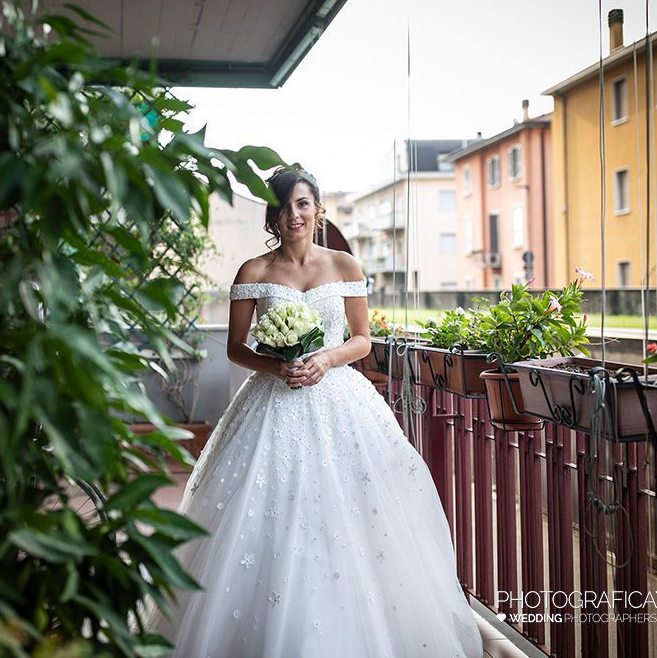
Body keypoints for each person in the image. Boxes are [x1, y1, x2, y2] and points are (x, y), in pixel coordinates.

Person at [147, 166, 483, 657]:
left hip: (340, 398)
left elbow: (362, 340)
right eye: (284, 207)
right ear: (273, 215)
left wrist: (325, 358)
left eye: (303, 204)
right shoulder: (254, 272)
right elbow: (236, 349)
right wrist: (276, 364)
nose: (294, 215)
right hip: (271, 401)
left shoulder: (344, 265)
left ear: (318, 209)